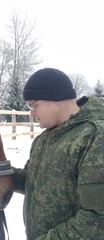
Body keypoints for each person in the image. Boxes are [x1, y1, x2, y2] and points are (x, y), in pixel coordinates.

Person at [12, 68, 104, 240]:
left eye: (33, 105)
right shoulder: (43, 140)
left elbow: (97, 219)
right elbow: (31, 181)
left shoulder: (95, 136)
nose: (31, 113)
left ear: (55, 98)